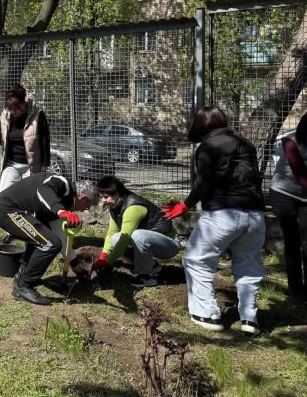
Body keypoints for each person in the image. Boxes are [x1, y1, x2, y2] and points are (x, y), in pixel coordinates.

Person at [163, 106, 265, 335]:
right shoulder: (246, 144)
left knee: (196, 259)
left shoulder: (208, 147)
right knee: (249, 265)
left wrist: (185, 205)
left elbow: (204, 183)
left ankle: (207, 314)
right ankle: (250, 319)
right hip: (255, 215)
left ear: (200, 125)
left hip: (223, 214)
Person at [0, 172, 98, 306]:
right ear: (83, 198)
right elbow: (43, 190)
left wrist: (75, 265)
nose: (82, 211)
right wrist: (61, 211)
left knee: (46, 238)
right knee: (49, 244)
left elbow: (61, 236)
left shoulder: (61, 203)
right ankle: (23, 286)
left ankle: (21, 276)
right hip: (7, 210)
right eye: (86, 206)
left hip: (17, 212)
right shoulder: (62, 183)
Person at [91, 175, 179, 288]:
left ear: (117, 193)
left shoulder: (133, 207)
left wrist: (108, 261)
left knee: (137, 235)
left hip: (169, 245)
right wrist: (104, 255)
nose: (103, 200)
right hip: (152, 241)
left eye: (106, 196)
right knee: (115, 238)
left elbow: (125, 239)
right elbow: (111, 233)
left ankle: (147, 277)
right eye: (102, 197)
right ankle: (152, 266)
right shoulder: (115, 207)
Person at [269, 112, 307, 300]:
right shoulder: (290, 143)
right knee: (293, 241)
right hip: (283, 194)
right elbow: (301, 176)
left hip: (305, 197)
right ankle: (296, 289)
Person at [0, 84, 51, 192]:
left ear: (23, 104)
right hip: (11, 165)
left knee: (28, 201)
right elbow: (3, 141)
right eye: (10, 109)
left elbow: (45, 142)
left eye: (16, 109)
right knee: (3, 196)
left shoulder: (38, 115)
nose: (13, 112)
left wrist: (44, 166)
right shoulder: (5, 116)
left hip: (31, 167)